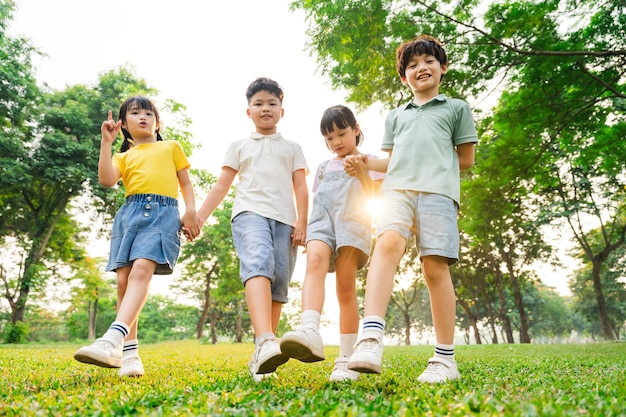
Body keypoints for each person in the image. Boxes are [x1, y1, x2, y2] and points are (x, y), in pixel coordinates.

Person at [344, 35, 478, 383]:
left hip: (438, 194)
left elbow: (465, 159)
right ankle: (370, 338)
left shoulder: (456, 108)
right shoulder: (396, 115)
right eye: (413, 65)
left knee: (434, 268)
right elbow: (390, 160)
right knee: (387, 244)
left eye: (428, 61)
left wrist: (433, 170)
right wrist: (364, 160)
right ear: (405, 77)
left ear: (442, 68)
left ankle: (445, 360)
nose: (421, 68)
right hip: (396, 191)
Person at [74, 96, 200, 378]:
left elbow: (185, 182)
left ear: (157, 123)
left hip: (162, 213)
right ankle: (129, 356)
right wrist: (106, 143)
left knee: (143, 269)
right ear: (124, 126)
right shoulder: (123, 156)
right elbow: (107, 180)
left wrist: (191, 211)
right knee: (123, 281)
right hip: (129, 215)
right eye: (135, 113)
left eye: (148, 113)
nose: (143, 116)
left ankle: (112, 338)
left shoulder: (171, 147)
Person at [194, 77, 309, 380]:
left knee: (280, 279)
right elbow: (222, 185)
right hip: (249, 213)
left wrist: (303, 222)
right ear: (249, 112)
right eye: (258, 103)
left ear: (282, 110)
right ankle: (265, 341)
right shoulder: (239, 146)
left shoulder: (293, 148)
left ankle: (264, 356)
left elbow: (301, 187)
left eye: (272, 103)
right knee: (259, 262)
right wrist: (201, 217)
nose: (265, 108)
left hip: (285, 219)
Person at [278, 105, 384, 382]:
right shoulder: (323, 167)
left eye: (341, 133)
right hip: (322, 222)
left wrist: (361, 170)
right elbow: (319, 200)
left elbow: (376, 196)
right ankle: (309, 329)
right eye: (330, 138)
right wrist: (306, 227)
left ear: (356, 130)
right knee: (313, 262)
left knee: (345, 287)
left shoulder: (371, 160)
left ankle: (347, 359)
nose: (336, 142)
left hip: (353, 222)